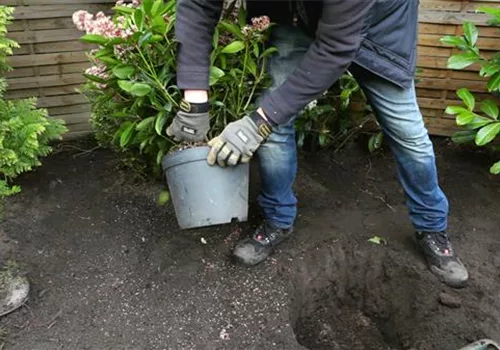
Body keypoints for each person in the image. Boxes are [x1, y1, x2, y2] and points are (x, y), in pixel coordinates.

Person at [166, 0, 469, 288]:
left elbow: (336, 48)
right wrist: (195, 97)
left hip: (380, 29)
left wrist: (257, 122)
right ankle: (277, 219)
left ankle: (431, 227)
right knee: (274, 126)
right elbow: (198, 4)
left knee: (408, 134)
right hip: (298, 18)